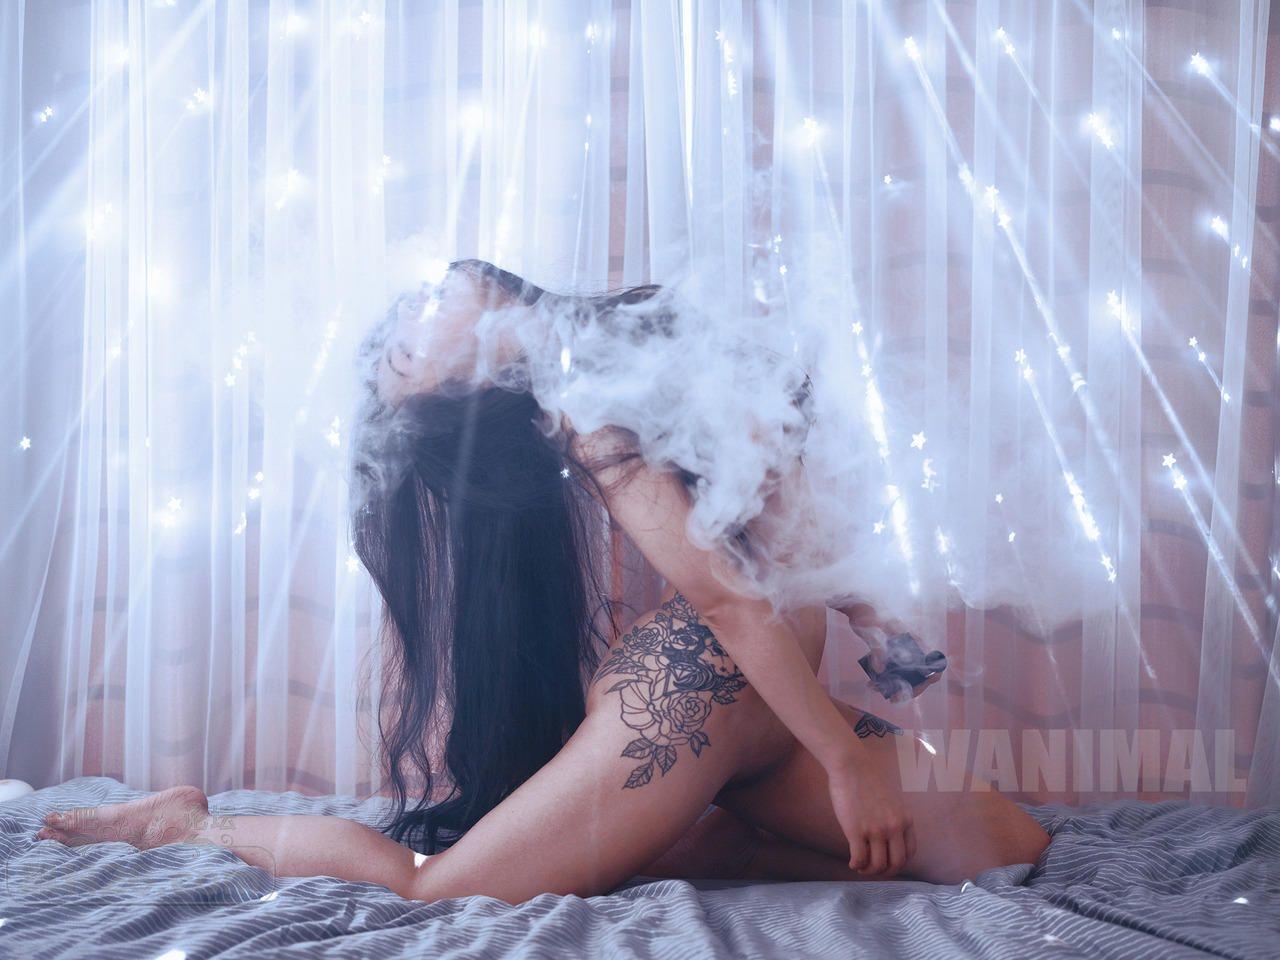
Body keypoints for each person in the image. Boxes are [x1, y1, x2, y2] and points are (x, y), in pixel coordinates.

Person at [35, 259, 1049, 904]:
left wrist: (879, 625)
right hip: (697, 687)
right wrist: (841, 758)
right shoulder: (582, 404)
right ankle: (190, 822)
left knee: (1008, 848)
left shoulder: (625, 334)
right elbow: (728, 600)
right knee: (433, 887)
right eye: (409, 350)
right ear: (469, 387)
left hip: (755, 693)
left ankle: (695, 834)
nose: (422, 301)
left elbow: (775, 509)